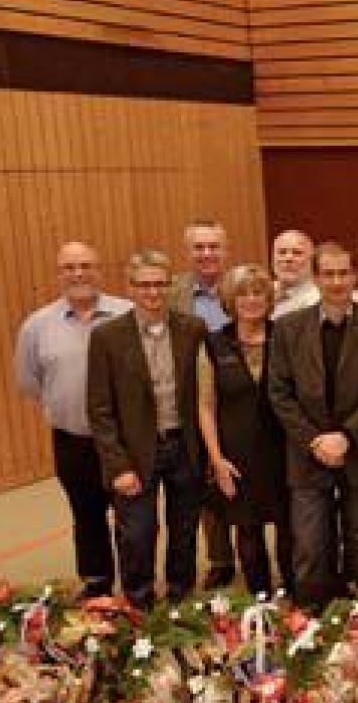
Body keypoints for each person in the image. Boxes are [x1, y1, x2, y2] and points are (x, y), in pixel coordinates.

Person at [268, 243, 358, 607]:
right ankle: (311, 618)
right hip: (307, 455)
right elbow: (279, 394)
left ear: (355, 276)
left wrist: (346, 436)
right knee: (310, 545)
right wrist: (315, 441)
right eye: (329, 274)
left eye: (344, 273)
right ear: (316, 277)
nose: (337, 281)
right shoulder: (288, 328)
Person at [87, 250, 207, 608]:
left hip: (183, 446)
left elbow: (206, 394)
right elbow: (100, 409)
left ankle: (180, 593)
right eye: (144, 285)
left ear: (169, 286)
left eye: (159, 284)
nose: (153, 292)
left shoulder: (192, 329)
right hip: (136, 453)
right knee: (138, 533)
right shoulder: (107, 336)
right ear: (130, 288)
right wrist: (118, 466)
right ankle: (139, 601)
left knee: (184, 530)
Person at [16, 242, 132, 598]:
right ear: (59, 273)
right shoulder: (37, 325)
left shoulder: (129, 314)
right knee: (86, 514)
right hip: (72, 439)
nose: (78, 274)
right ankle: (96, 582)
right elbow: (30, 382)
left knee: (132, 518)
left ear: (99, 270)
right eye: (69, 267)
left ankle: (136, 584)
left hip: (123, 439)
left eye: (86, 265)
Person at [196, 266, 293, 598]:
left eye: (258, 293)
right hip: (236, 456)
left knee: (289, 531)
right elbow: (206, 406)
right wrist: (217, 460)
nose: (251, 300)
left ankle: (292, 597)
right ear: (229, 300)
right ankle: (260, 601)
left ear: (269, 299)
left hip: (284, 451)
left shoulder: (287, 336)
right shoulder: (213, 343)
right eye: (243, 293)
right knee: (248, 533)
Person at [166, 219, 235, 590]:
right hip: (194, 399)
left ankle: (256, 552)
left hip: (241, 396)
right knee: (208, 480)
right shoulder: (171, 293)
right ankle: (221, 558)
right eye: (199, 247)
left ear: (226, 249)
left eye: (214, 246)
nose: (207, 254)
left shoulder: (244, 285)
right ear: (188, 251)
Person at [271, 229, 319, 319]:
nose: (288, 258)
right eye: (282, 252)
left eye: (297, 253)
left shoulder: (317, 302)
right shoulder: (262, 291)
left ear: (311, 260)